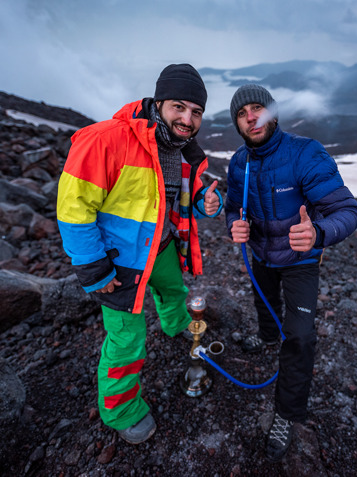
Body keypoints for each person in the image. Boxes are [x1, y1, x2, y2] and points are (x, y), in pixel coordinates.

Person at [57, 64, 222, 445]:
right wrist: (94, 269)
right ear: (159, 102)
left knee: (173, 292)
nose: (187, 118)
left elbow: (186, 198)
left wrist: (206, 202)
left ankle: (176, 323)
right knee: (127, 340)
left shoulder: (182, 150)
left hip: (161, 247)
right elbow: (73, 209)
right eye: (179, 107)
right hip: (119, 263)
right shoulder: (105, 139)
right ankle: (121, 411)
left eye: (196, 112)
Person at [225, 84, 357, 461]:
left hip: (301, 261)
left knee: (300, 337)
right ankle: (268, 338)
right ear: (237, 122)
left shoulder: (305, 153)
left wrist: (318, 233)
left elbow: (349, 212)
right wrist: (233, 226)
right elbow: (233, 209)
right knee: (264, 303)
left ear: (273, 114)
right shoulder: (239, 163)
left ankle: (286, 413)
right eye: (242, 113)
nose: (251, 117)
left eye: (258, 109)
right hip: (261, 256)